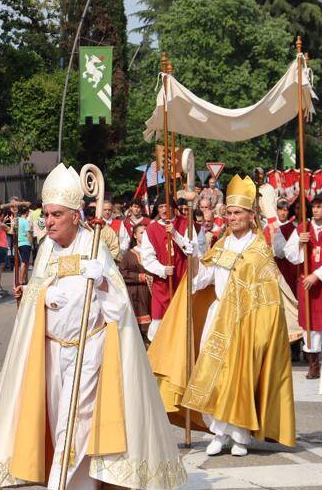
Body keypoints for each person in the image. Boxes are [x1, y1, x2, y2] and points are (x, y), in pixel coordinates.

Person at [0, 164, 186, 490]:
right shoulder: (46, 250)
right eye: (47, 215)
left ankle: (56, 487)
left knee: (79, 416)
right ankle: (83, 486)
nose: (49, 222)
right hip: (54, 349)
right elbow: (34, 301)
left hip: (91, 347)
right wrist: (38, 297)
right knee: (60, 419)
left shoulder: (95, 246)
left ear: (75, 216)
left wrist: (101, 280)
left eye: (56, 215)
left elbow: (119, 310)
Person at [179, 175, 296, 456]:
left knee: (242, 377)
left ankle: (240, 434)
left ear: (250, 215)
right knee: (216, 375)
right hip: (219, 316)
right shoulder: (221, 244)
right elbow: (204, 279)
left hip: (248, 320)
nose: (232, 218)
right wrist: (193, 257)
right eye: (229, 213)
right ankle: (219, 432)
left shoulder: (259, 249)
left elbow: (268, 293)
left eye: (237, 213)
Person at [281, 193, 322, 380]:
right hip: (306, 285)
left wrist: (317, 275)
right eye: (314, 206)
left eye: (320, 206)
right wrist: (300, 244)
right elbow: (289, 254)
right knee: (309, 325)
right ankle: (313, 364)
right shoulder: (303, 228)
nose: (316, 210)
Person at [139, 201, 187, 340]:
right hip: (162, 283)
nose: (164, 209)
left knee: (182, 320)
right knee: (159, 321)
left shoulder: (185, 223)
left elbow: (193, 249)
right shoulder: (151, 229)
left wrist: (175, 233)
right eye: (161, 206)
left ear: (173, 207)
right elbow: (147, 258)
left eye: (167, 205)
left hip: (182, 280)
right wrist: (162, 270)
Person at [119, 222, 153, 343]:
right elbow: (122, 273)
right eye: (141, 233)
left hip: (152, 292)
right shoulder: (129, 254)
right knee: (140, 327)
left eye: (146, 233)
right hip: (136, 293)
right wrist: (140, 277)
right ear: (134, 235)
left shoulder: (153, 252)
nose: (144, 235)